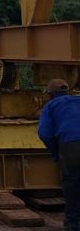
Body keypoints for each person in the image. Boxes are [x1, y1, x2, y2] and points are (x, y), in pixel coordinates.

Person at [38, 78, 80, 231]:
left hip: (71, 146)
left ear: (50, 94)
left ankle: (73, 224)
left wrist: (56, 153)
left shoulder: (51, 106)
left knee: (72, 184)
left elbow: (45, 134)